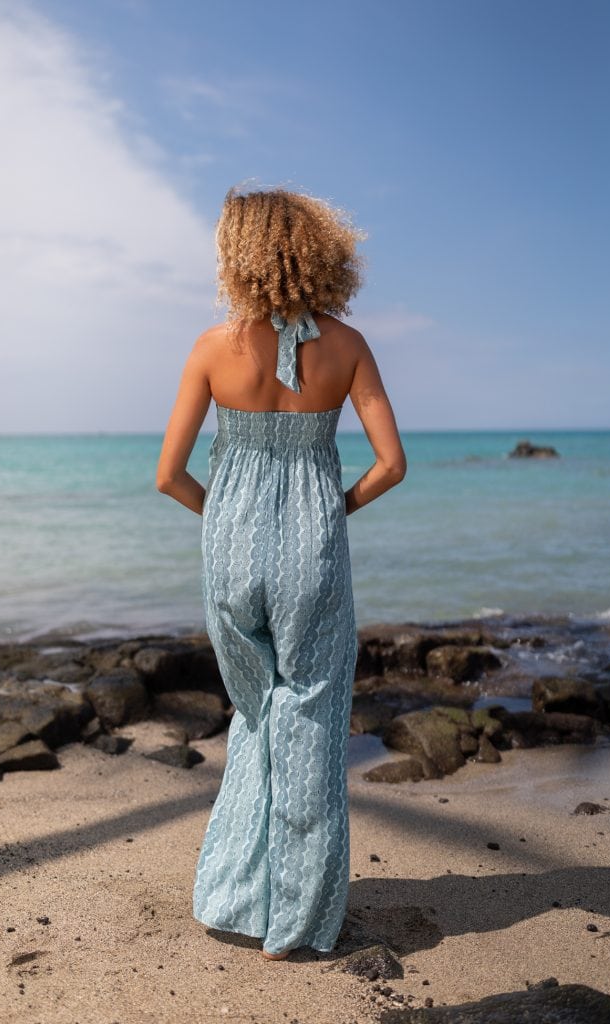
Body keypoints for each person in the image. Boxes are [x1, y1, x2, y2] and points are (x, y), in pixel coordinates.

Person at [156, 184, 406, 961]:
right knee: (309, 721)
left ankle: (235, 896)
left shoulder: (209, 346)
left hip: (229, 553)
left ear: (240, 255)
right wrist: (329, 511)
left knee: (259, 714)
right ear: (318, 249)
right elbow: (391, 465)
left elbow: (168, 475)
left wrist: (229, 523)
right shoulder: (347, 345)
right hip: (313, 551)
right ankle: (298, 922)